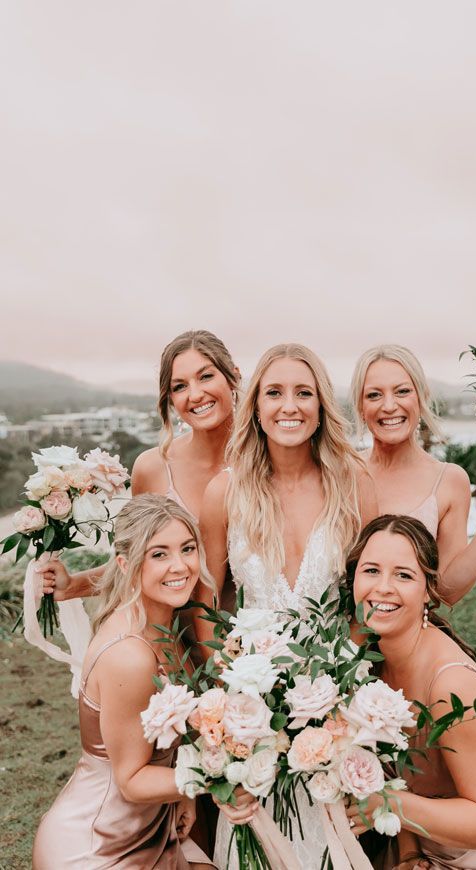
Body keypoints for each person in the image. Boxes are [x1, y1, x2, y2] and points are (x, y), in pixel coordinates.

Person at [195, 343, 378, 869]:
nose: (289, 406)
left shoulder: (354, 483)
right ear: (254, 405)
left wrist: (339, 692)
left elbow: (367, 603)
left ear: (322, 405)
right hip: (252, 720)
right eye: (274, 392)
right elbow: (207, 607)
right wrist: (230, 715)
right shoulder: (224, 492)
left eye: (304, 392)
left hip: (336, 713)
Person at [346, 514, 476, 869]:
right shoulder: (366, 661)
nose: (382, 587)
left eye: (403, 575)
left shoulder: (453, 685)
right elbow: (398, 776)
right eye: (371, 571)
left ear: (429, 589)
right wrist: (410, 853)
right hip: (424, 847)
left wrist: (391, 806)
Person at [32, 494, 220, 869]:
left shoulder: (165, 627)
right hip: (98, 845)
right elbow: (131, 780)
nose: (180, 566)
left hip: (152, 827)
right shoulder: (130, 656)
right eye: (159, 554)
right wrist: (225, 772)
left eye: (187, 548)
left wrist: (181, 796)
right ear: (126, 564)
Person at [39, 329, 240, 600]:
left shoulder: (270, 460)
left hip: (262, 637)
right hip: (173, 634)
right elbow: (137, 562)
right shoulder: (152, 468)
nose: (195, 395)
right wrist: (75, 585)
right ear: (170, 399)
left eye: (206, 376)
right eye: (179, 386)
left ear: (233, 376)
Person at [350, 345, 476, 605]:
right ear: (360, 405)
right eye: (374, 395)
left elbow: (447, 592)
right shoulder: (339, 471)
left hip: (410, 638)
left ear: (421, 396)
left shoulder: (449, 480)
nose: (389, 406)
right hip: (334, 637)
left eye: (402, 391)